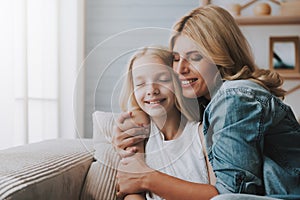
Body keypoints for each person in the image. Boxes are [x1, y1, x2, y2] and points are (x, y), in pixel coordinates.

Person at [113, 5, 300, 200]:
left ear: (221, 56)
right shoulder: (206, 104)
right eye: (176, 59)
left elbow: (232, 193)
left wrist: (147, 178)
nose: (181, 69)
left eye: (195, 57)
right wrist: (138, 119)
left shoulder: (234, 97)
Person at [117, 46, 213, 200]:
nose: (152, 90)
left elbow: (218, 195)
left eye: (163, 80)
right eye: (140, 84)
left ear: (179, 82)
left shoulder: (202, 134)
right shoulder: (138, 132)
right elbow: (132, 190)